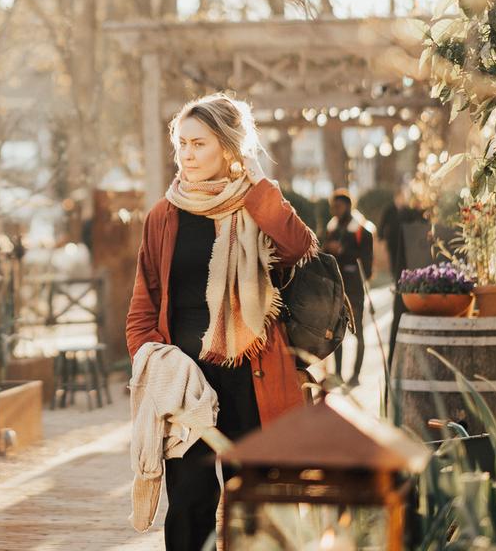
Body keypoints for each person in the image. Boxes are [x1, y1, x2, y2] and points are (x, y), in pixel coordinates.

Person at [125, 93, 318, 549]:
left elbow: (297, 246)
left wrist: (256, 187)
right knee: (190, 504)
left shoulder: (254, 202)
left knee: (256, 502)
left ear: (228, 147)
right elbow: (142, 305)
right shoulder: (165, 214)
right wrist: (155, 364)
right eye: (182, 144)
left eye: (199, 144)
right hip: (187, 381)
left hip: (251, 378)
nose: (186, 155)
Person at [323, 189, 374, 388]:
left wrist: (343, 251)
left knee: (358, 331)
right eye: (333, 206)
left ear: (347, 206)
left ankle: (356, 375)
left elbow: (367, 266)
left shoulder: (362, 230)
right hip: (335, 289)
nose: (335, 210)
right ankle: (337, 373)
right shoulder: (331, 228)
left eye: (338, 206)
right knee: (336, 333)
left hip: (354, 289)